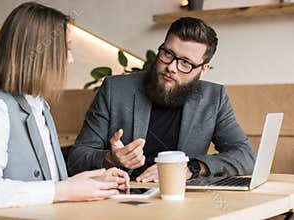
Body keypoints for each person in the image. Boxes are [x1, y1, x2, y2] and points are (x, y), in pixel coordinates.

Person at [0, 2, 129, 210]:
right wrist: (64, 190)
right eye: (67, 49)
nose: (70, 59)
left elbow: (51, 184)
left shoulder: (40, 106)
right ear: (41, 54)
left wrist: (92, 183)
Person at [67, 17, 256, 182]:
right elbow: (76, 158)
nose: (171, 67)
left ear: (203, 70)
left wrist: (190, 168)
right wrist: (110, 158)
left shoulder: (214, 98)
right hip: (123, 195)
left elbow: (245, 156)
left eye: (185, 63)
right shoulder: (115, 89)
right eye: (167, 54)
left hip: (181, 200)